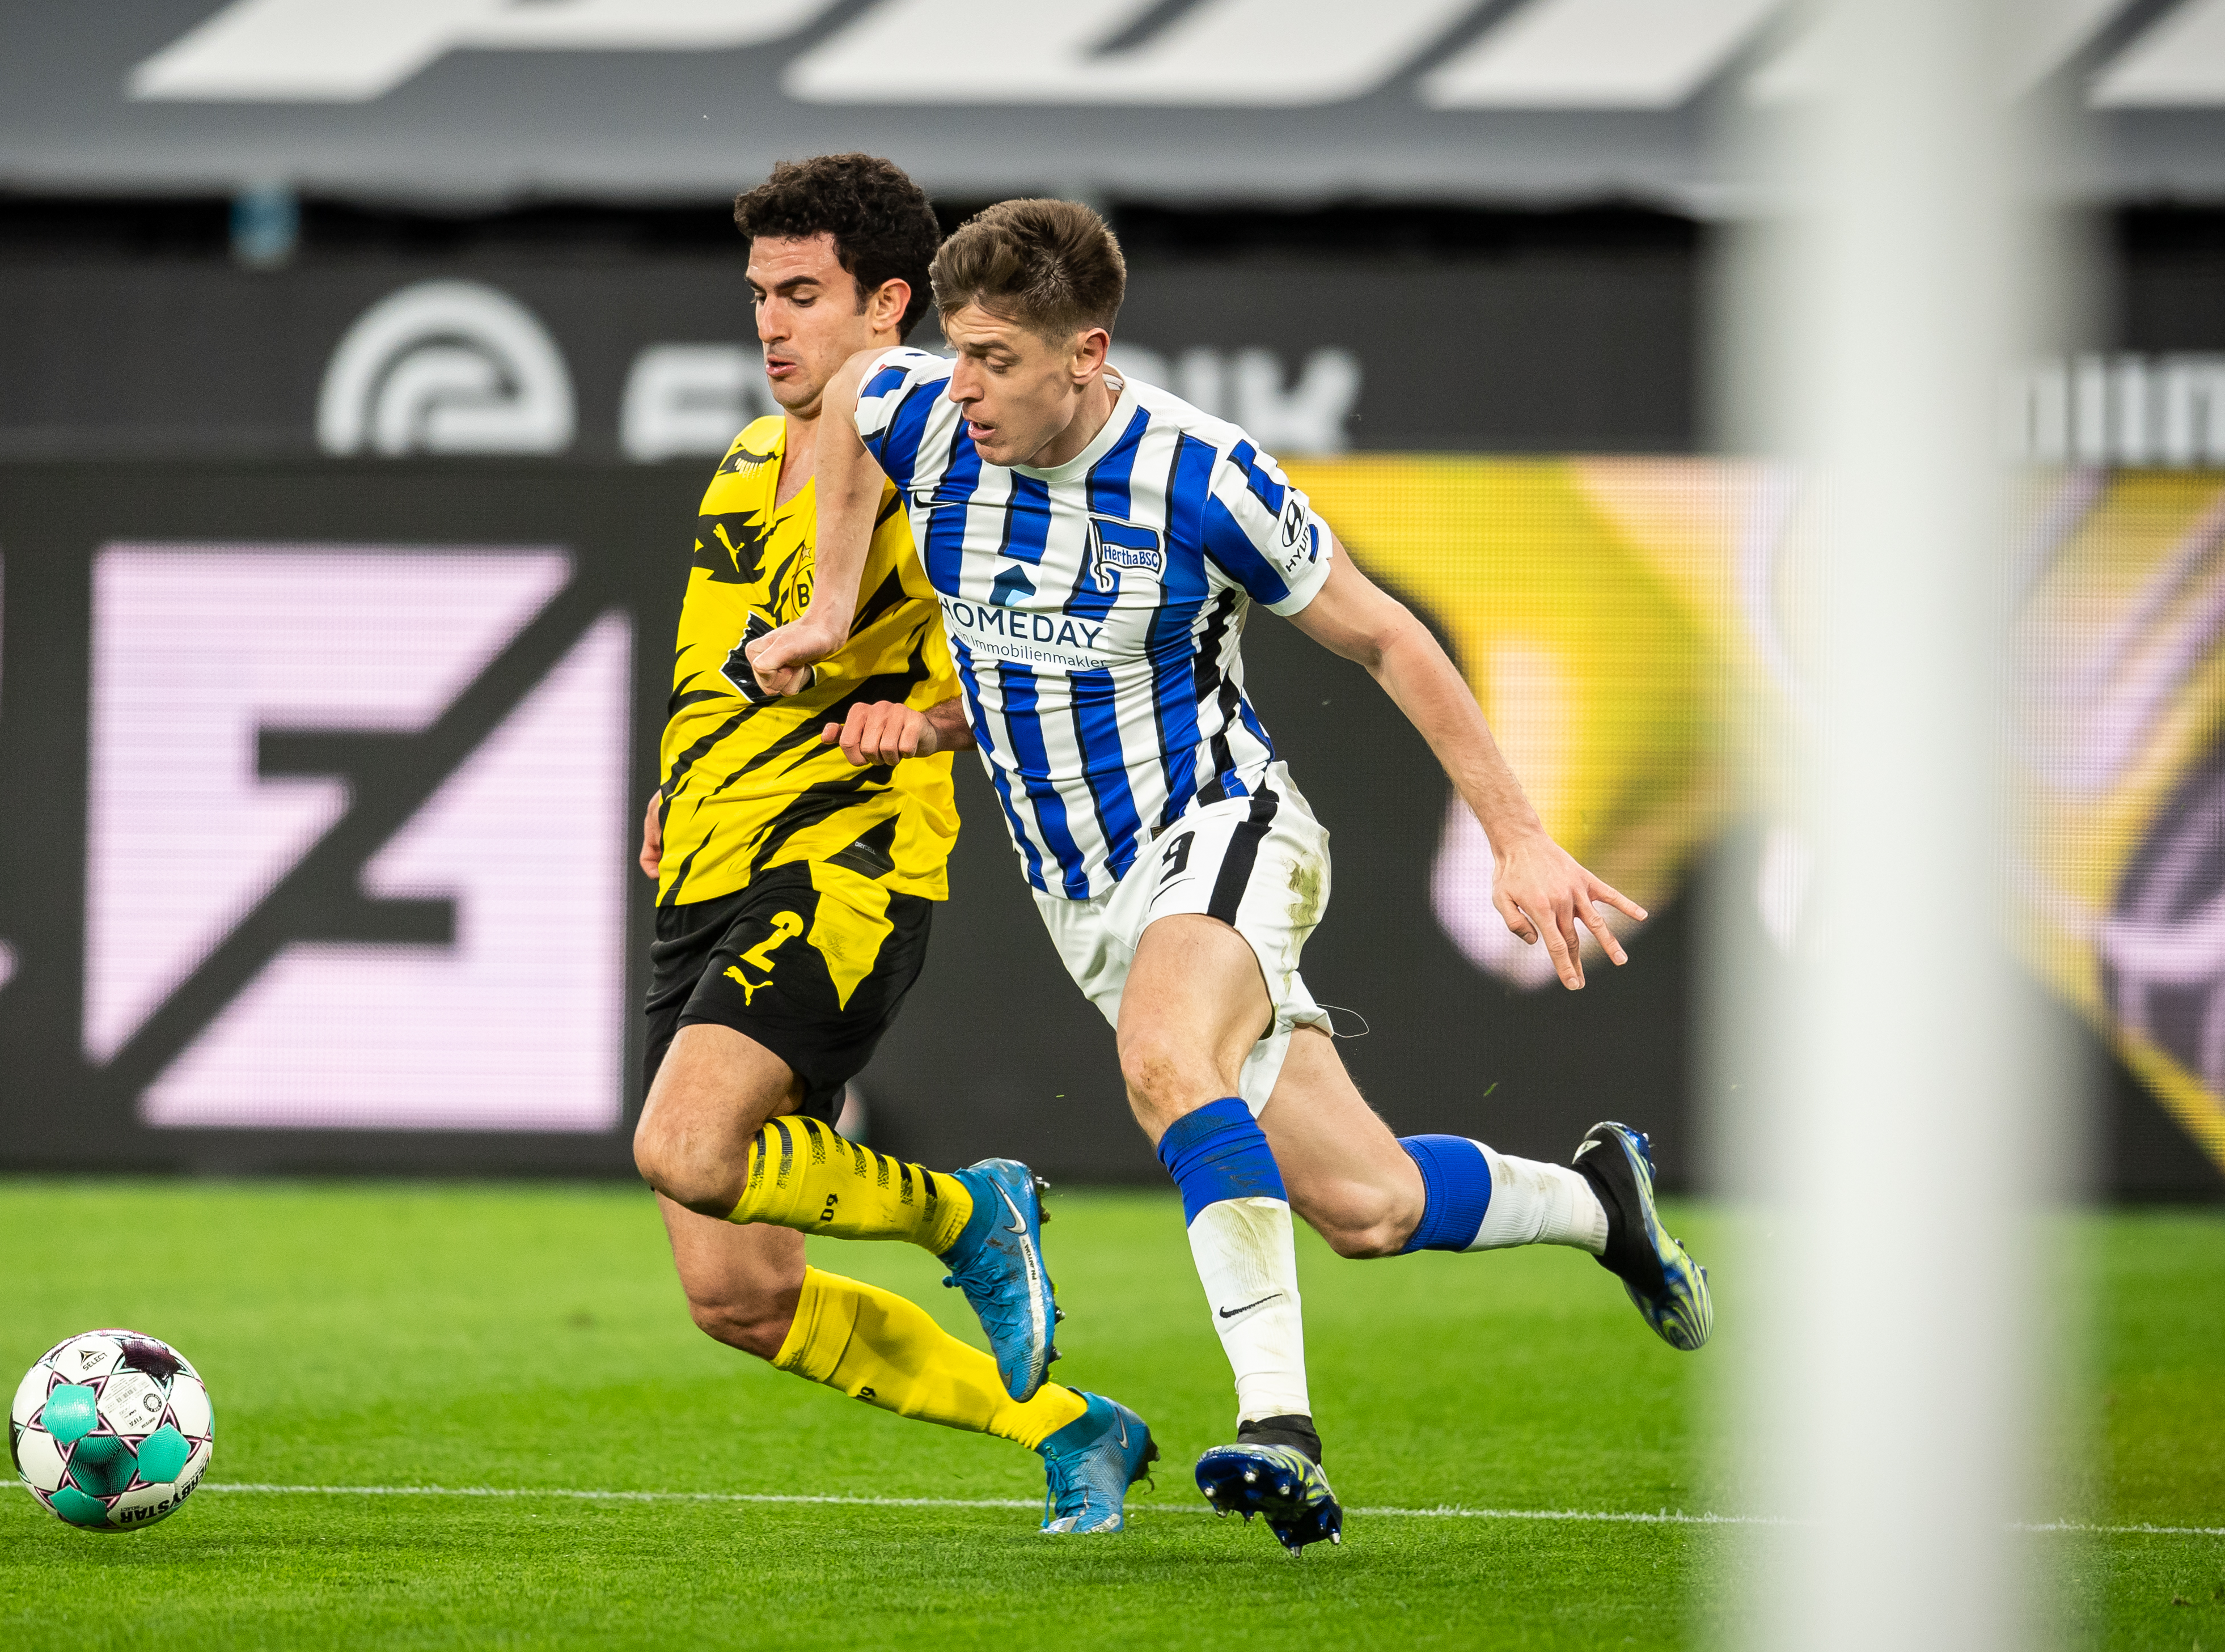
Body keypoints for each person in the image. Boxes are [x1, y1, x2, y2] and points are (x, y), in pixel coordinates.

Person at [751, 198, 1712, 1556]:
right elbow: (855, 400)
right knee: (1367, 1206)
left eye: (998, 361)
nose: (963, 387)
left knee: (1162, 1059)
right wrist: (835, 615)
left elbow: (1389, 639)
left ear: (1086, 354)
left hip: (1220, 825)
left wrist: (1516, 835)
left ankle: (1281, 1432)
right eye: (957, 352)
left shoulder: (1202, 476)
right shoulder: (921, 412)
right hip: (1080, 892)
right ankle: (1600, 1201)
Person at [626, 158, 1157, 1536]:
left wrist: (923, 732)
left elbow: (1041, 678)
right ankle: (1068, 1426)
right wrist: (676, 784)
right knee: (736, 1292)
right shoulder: (752, 453)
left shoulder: (954, 480)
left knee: (685, 1145)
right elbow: (713, 656)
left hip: (843, 871)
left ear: (889, 305)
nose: (770, 324)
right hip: (706, 868)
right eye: (758, 295)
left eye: (801, 295)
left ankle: (967, 1215)